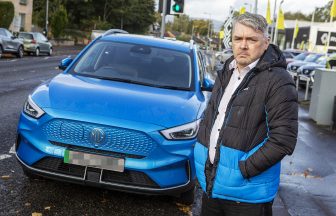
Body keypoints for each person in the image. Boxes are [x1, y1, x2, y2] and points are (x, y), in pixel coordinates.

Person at [194, 13, 298, 216]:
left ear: (266, 43)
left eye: (251, 39)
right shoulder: (227, 70)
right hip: (213, 186)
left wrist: (243, 169)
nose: (243, 45)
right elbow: (214, 116)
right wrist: (200, 150)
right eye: (238, 38)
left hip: (247, 197)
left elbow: (283, 140)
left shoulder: (278, 80)